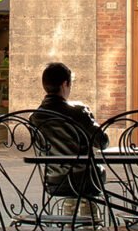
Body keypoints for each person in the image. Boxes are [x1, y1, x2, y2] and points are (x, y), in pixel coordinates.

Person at [36, 61, 107, 196]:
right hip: (86, 180)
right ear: (65, 84)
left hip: (53, 182)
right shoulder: (78, 112)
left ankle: (70, 211)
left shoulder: (35, 117)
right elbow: (102, 142)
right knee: (97, 174)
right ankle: (89, 215)